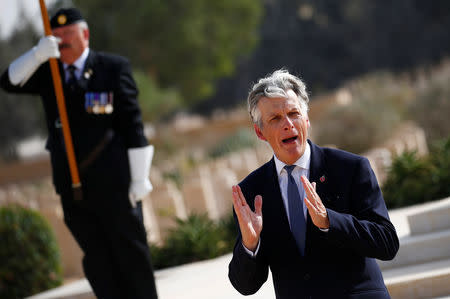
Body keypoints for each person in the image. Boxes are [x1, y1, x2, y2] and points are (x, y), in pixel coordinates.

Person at [0, 8, 158, 299]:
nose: (61, 40)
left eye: (67, 33)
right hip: (74, 188)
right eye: (55, 35)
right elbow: (8, 82)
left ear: (85, 34)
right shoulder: (49, 73)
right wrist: (36, 54)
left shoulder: (112, 68)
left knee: (131, 254)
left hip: (115, 183)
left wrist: (139, 178)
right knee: (98, 261)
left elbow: (132, 125)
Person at [228, 69, 399, 299]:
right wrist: (250, 245)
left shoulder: (350, 168)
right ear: (260, 132)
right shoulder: (251, 193)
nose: (288, 124)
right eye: (275, 119)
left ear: (306, 119)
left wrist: (330, 221)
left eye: (293, 113)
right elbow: (245, 286)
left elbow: (387, 243)